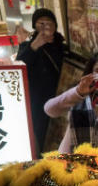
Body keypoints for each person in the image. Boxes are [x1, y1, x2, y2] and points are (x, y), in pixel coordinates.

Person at [44, 52, 98, 157]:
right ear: (90, 73)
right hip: (72, 159)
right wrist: (78, 92)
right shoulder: (78, 96)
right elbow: (50, 109)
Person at [17, 8, 65, 153]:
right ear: (35, 26)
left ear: (55, 25)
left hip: (60, 96)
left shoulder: (61, 46)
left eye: (49, 22)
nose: (45, 26)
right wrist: (34, 46)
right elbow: (19, 66)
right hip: (39, 101)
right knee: (42, 134)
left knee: (61, 134)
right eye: (41, 23)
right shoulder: (27, 46)